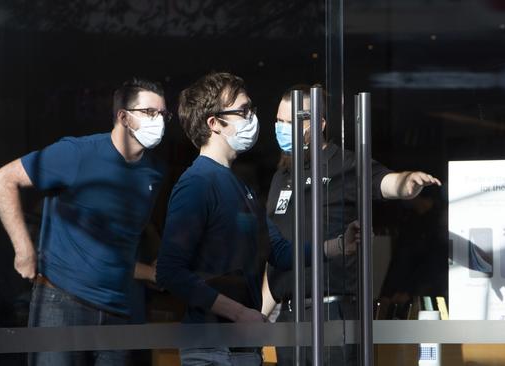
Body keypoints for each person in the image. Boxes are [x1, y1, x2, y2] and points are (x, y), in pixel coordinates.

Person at [156, 72, 359, 366]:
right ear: (214, 123)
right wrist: (238, 313)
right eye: (242, 111)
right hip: (213, 348)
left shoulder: (240, 186)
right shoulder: (197, 184)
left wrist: (337, 246)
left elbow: (278, 251)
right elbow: (170, 271)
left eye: (250, 109)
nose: (252, 117)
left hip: (242, 346)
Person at [0, 77, 169, 366]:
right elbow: (2, 180)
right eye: (150, 112)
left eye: (163, 114)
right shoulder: (77, 153)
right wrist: (24, 250)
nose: (159, 121)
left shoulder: (154, 173)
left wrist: (150, 273)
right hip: (61, 304)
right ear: (123, 117)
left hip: (118, 309)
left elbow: (117, 245)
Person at [266, 84, 442, 365]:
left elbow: (384, 182)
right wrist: (257, 316)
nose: (283, 128)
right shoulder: (283, 176)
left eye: (292, 121)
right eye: (280, 120)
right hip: (289, 316)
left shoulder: (343, 165)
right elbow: (275, 253)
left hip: (331, 314)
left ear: (320, 123)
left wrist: (406, 182)